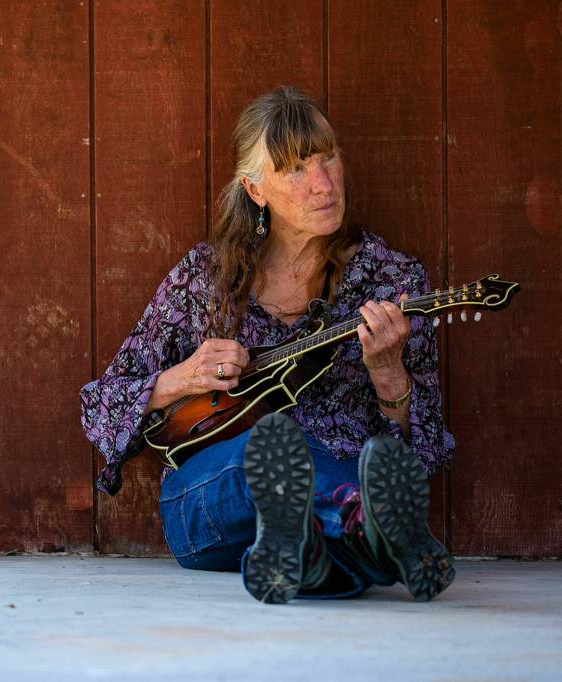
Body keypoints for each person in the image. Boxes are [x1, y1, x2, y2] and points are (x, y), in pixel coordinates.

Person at [79, 86, 456, 604]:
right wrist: (183, 377)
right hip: (210, 496)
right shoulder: (205, 279)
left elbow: (421, 451)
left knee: (331, 521)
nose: (322, 184)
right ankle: (372, 530)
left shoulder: (390, 282)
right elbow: (100, 403)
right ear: (256, 190)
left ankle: (314, 553)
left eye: (327, 159)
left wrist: (390, 376)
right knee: (269, 448)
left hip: (341, 472)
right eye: (296, 170)